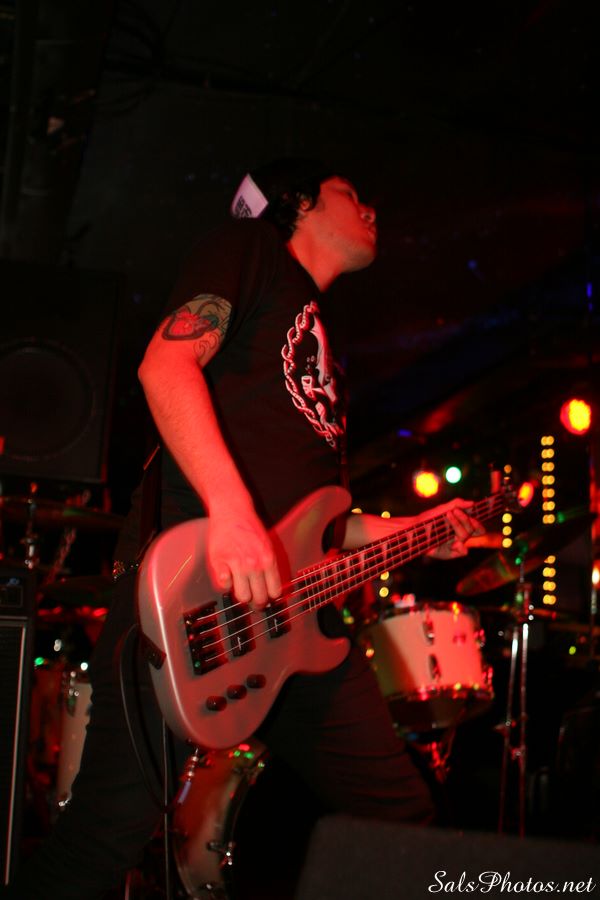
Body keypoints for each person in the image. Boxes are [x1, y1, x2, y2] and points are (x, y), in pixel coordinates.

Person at [6, 159, 483, 899]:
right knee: (104, 839)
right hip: (192, 599)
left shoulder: (324, 344)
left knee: (404, 821)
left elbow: (323, 521)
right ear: (300, 202)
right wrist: (230, 515)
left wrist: (415, 527)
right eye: (351, 193)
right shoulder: (249, 250)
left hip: (295, 623)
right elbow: (166, 367)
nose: (371, 207)